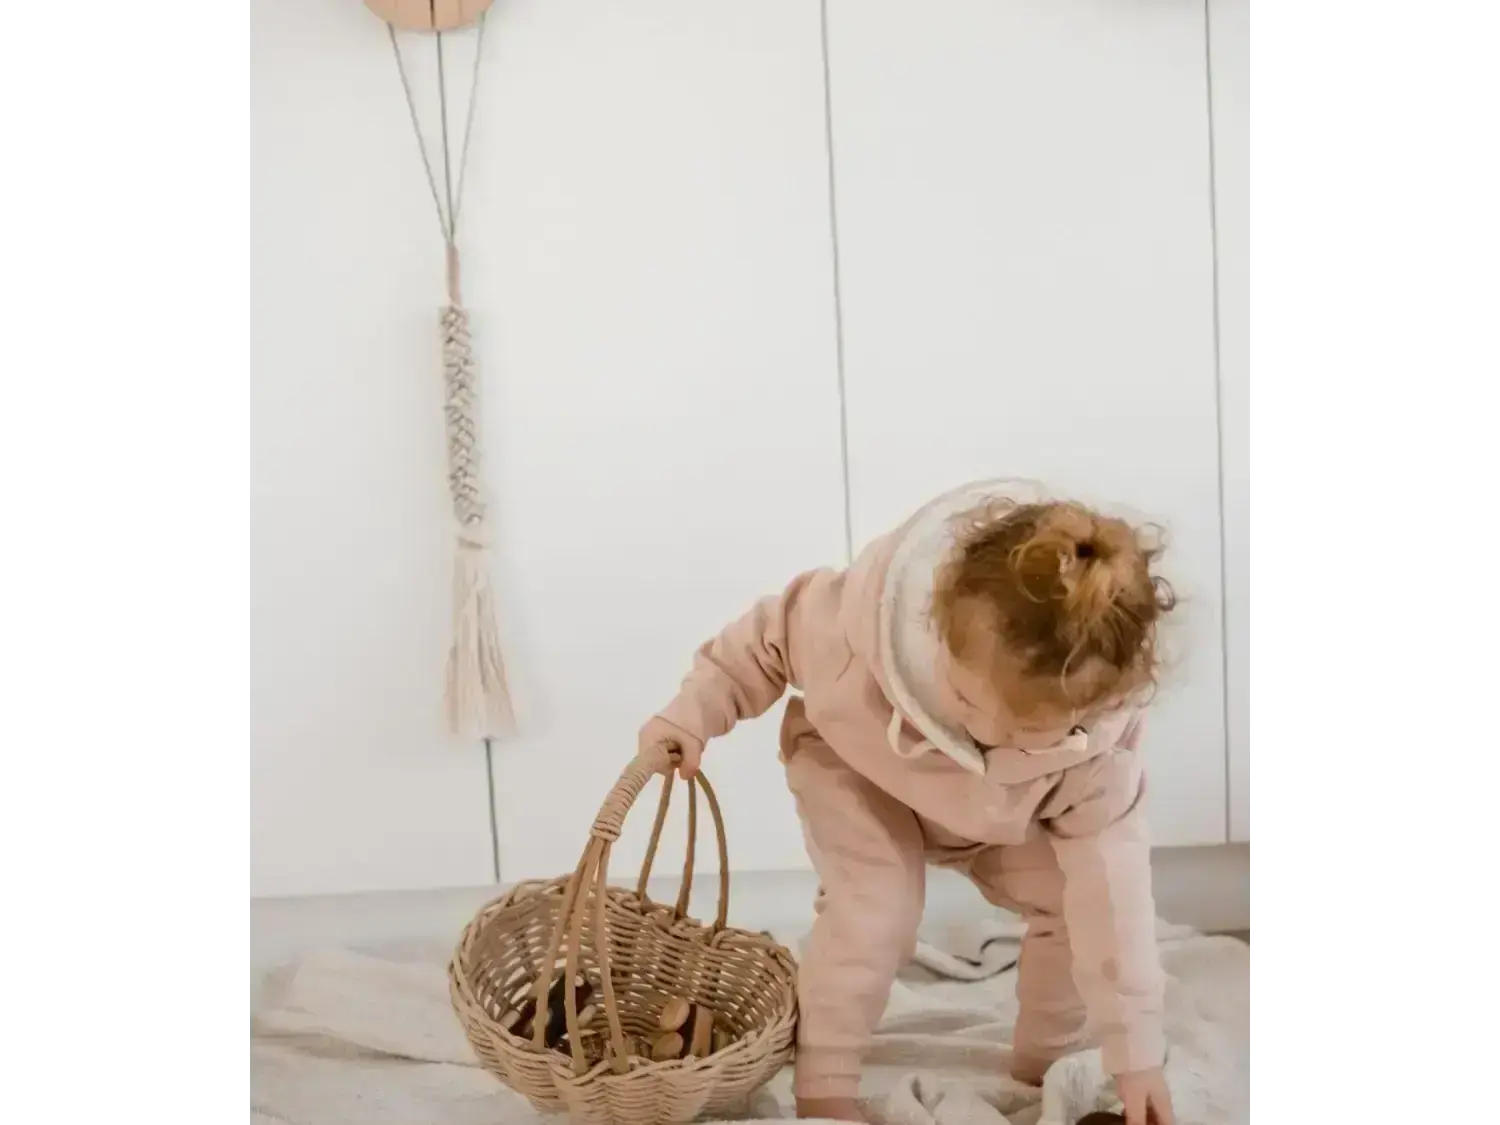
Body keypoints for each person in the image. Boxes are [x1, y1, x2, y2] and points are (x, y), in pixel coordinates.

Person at [639, 480, 1178, 1125]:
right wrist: (689, 717)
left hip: (997, 812)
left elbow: (1114, 897)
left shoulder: (1099, 758)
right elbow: (759, 645)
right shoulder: (860, 623)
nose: (988, 734)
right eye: (968, 702)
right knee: (878, 906)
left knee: (1071, 898)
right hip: (859, 767)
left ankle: (1044, 1059)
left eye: (1026, 732)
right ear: (937, 633)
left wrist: (1134, 1056)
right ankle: (825, 1086)